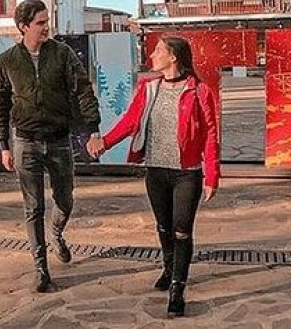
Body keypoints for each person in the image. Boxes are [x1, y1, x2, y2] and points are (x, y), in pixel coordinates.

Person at [87, 36, 220, 318]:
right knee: (163, 226)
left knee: (182, 230)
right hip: (156, 170)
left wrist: (212, 175)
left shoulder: (199, 91)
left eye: (159, 50)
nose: (153, 55)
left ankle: (177, 289)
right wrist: (105, 143)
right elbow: (130, 121)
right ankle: (169, 265)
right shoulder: (149, 88)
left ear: (174, 57)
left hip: (188, 173)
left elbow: (210, 134)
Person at [0, 0, 101, 293]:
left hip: (59, 141)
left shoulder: (62, 54)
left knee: (65, 200)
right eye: (40, 23)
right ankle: (40, 268)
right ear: (24, 26)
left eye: (46, 21)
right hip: (25, 142)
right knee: (33, 207)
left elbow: (83, 90)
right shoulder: (8, 61)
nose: (46, 27)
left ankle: (57, 233)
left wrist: (93, 129)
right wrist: (3, 144)